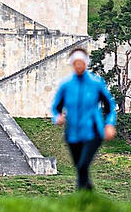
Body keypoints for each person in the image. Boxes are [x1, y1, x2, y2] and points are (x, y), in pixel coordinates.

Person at [51, 47, 117, 191]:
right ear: (72, 64)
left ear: (86, 64)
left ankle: (81, 198)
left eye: (81, 63)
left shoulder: (95, 83)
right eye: (76, 63)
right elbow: (56, 107)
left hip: (93, 131)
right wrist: (57, 117)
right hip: (73, 133)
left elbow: (110, 106)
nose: (79, 66)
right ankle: (88, 191)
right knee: (80, 168)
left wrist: (109, 124)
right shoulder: (66, 85)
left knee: (82, 165)